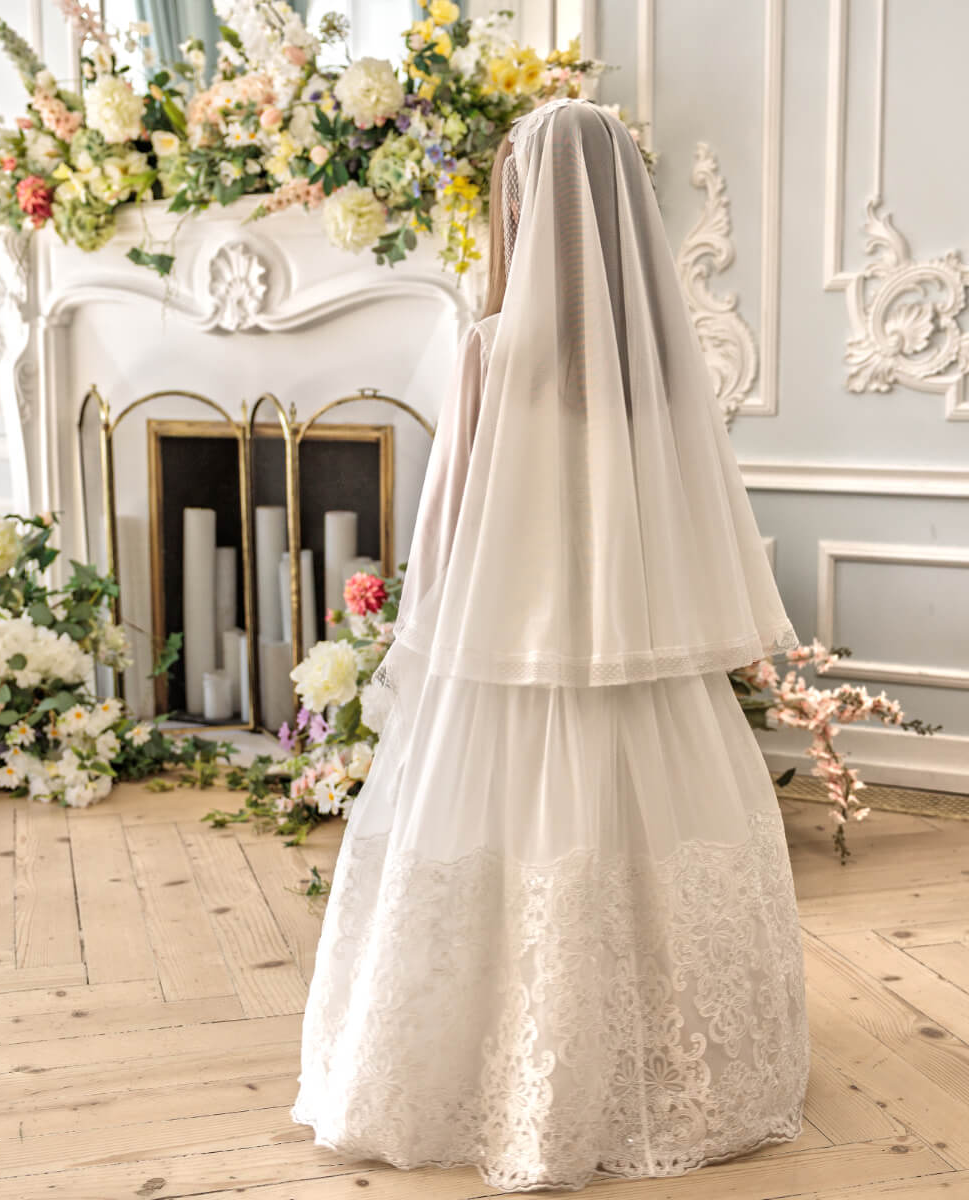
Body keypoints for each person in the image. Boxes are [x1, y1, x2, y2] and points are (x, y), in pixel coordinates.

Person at [291, 97, 810, 1193]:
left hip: (508, 646)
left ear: (523, 205)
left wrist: (427, 636)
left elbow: (448, 524)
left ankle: (517, 1066)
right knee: (647, 837)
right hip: (636, 647)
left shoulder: (490, 349)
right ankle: (667, 1057)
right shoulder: (657, 357)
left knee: (506, 836)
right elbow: (678, 522)